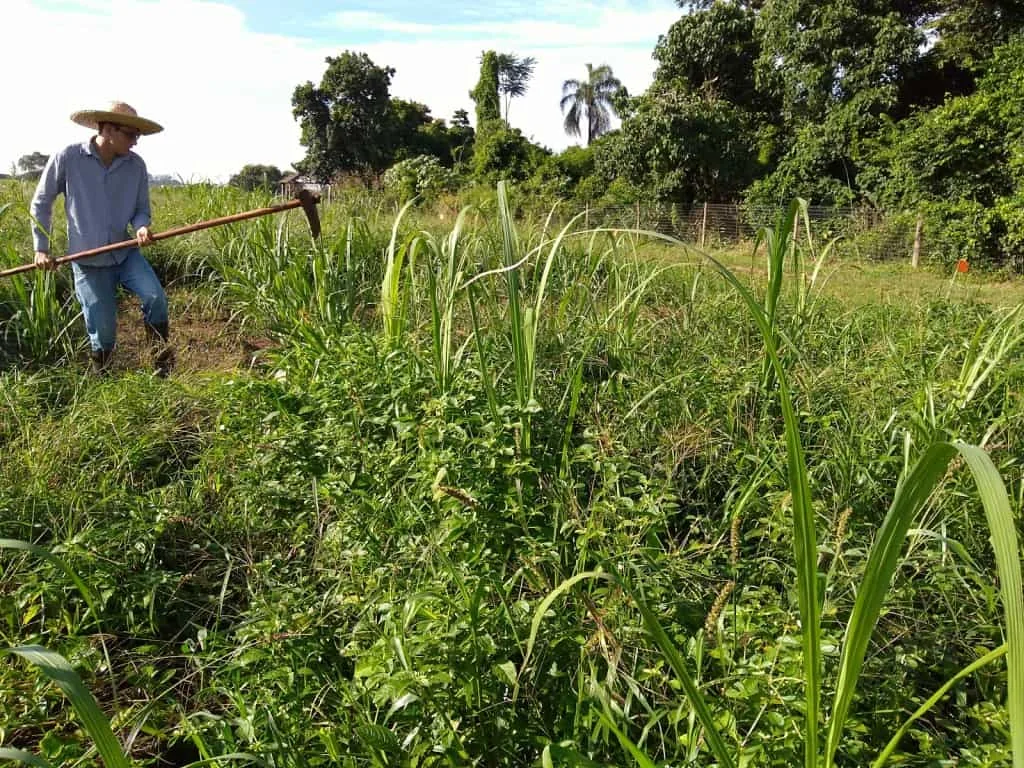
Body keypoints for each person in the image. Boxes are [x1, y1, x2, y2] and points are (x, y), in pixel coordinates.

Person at [30, 101, 173, 376]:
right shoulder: (68, 158)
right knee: (103, 329)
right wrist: (42, 248)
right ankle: (103, 379)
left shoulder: (136, 166)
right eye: (130, 135)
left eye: (137, 136)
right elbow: (41, 202)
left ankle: (162, 368)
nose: (135, 143)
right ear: (107, 129)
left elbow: (141, 209)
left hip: (125, 252)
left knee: (155, 298)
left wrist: (142, 227)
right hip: (88, 260)